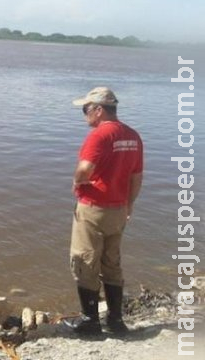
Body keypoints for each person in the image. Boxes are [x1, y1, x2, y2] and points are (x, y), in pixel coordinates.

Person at [63, 87, 143, 336]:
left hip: (94, 209)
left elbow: (85, 170)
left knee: (84, 261)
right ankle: (116, 321)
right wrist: (129, 204)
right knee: (112, 263)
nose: (84, 114)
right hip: (119, 209)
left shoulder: (100, 136)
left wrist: (77, 181)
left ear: (99, 110)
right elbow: (136, 176)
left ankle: (90, 321)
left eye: (86, 109)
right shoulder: (133, 136)